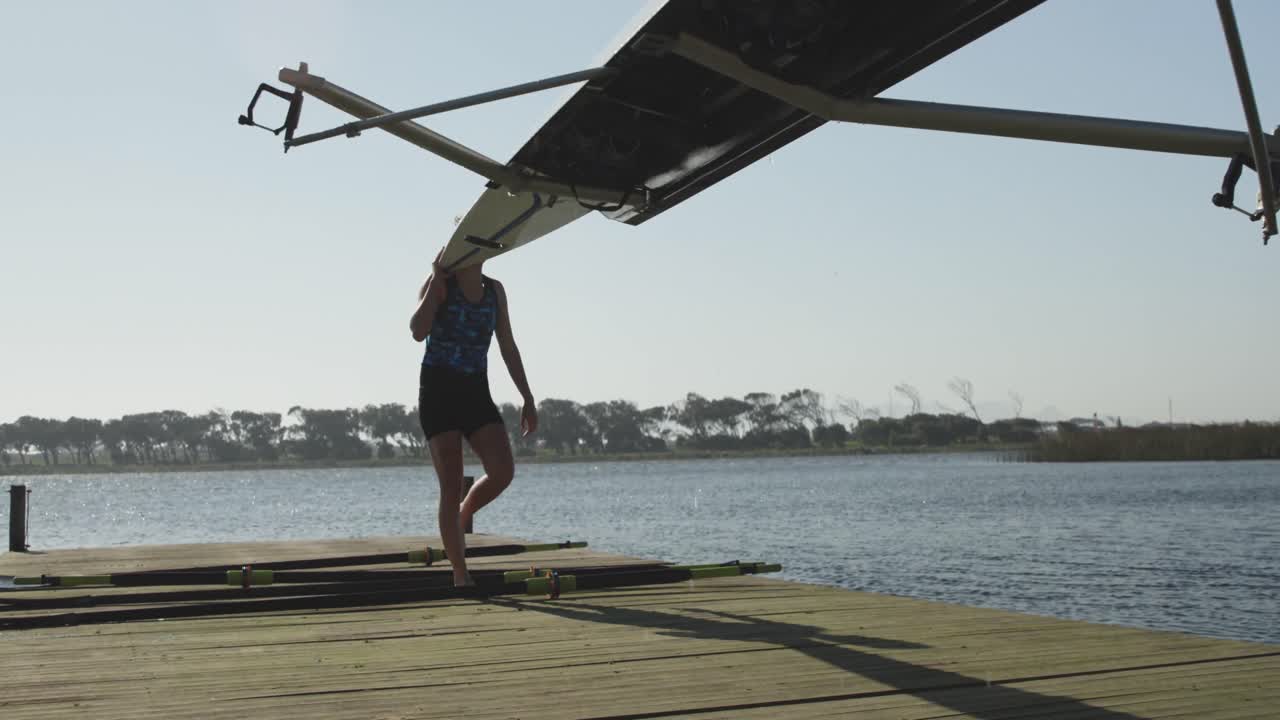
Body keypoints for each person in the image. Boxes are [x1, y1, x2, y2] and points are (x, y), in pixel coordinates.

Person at [410, 249, 537, 587]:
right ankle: (460, 573)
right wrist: (436, 277)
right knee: (450, 485)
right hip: (438, 389)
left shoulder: (495, 291)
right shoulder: (441, 285)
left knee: (502, 471)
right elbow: (417, 331)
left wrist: (527, 396)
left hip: (475, 390)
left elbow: (507, 345)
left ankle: (465, 513)